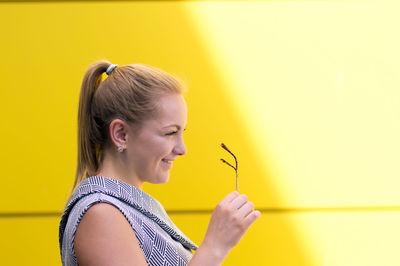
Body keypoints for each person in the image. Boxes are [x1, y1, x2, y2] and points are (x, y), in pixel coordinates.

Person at [59, 60, 261, 266]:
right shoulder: (101, 215)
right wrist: (215, 246)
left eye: (182, 133)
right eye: (170, 133)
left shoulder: (129, 210)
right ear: (121, 134)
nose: (182, 149)